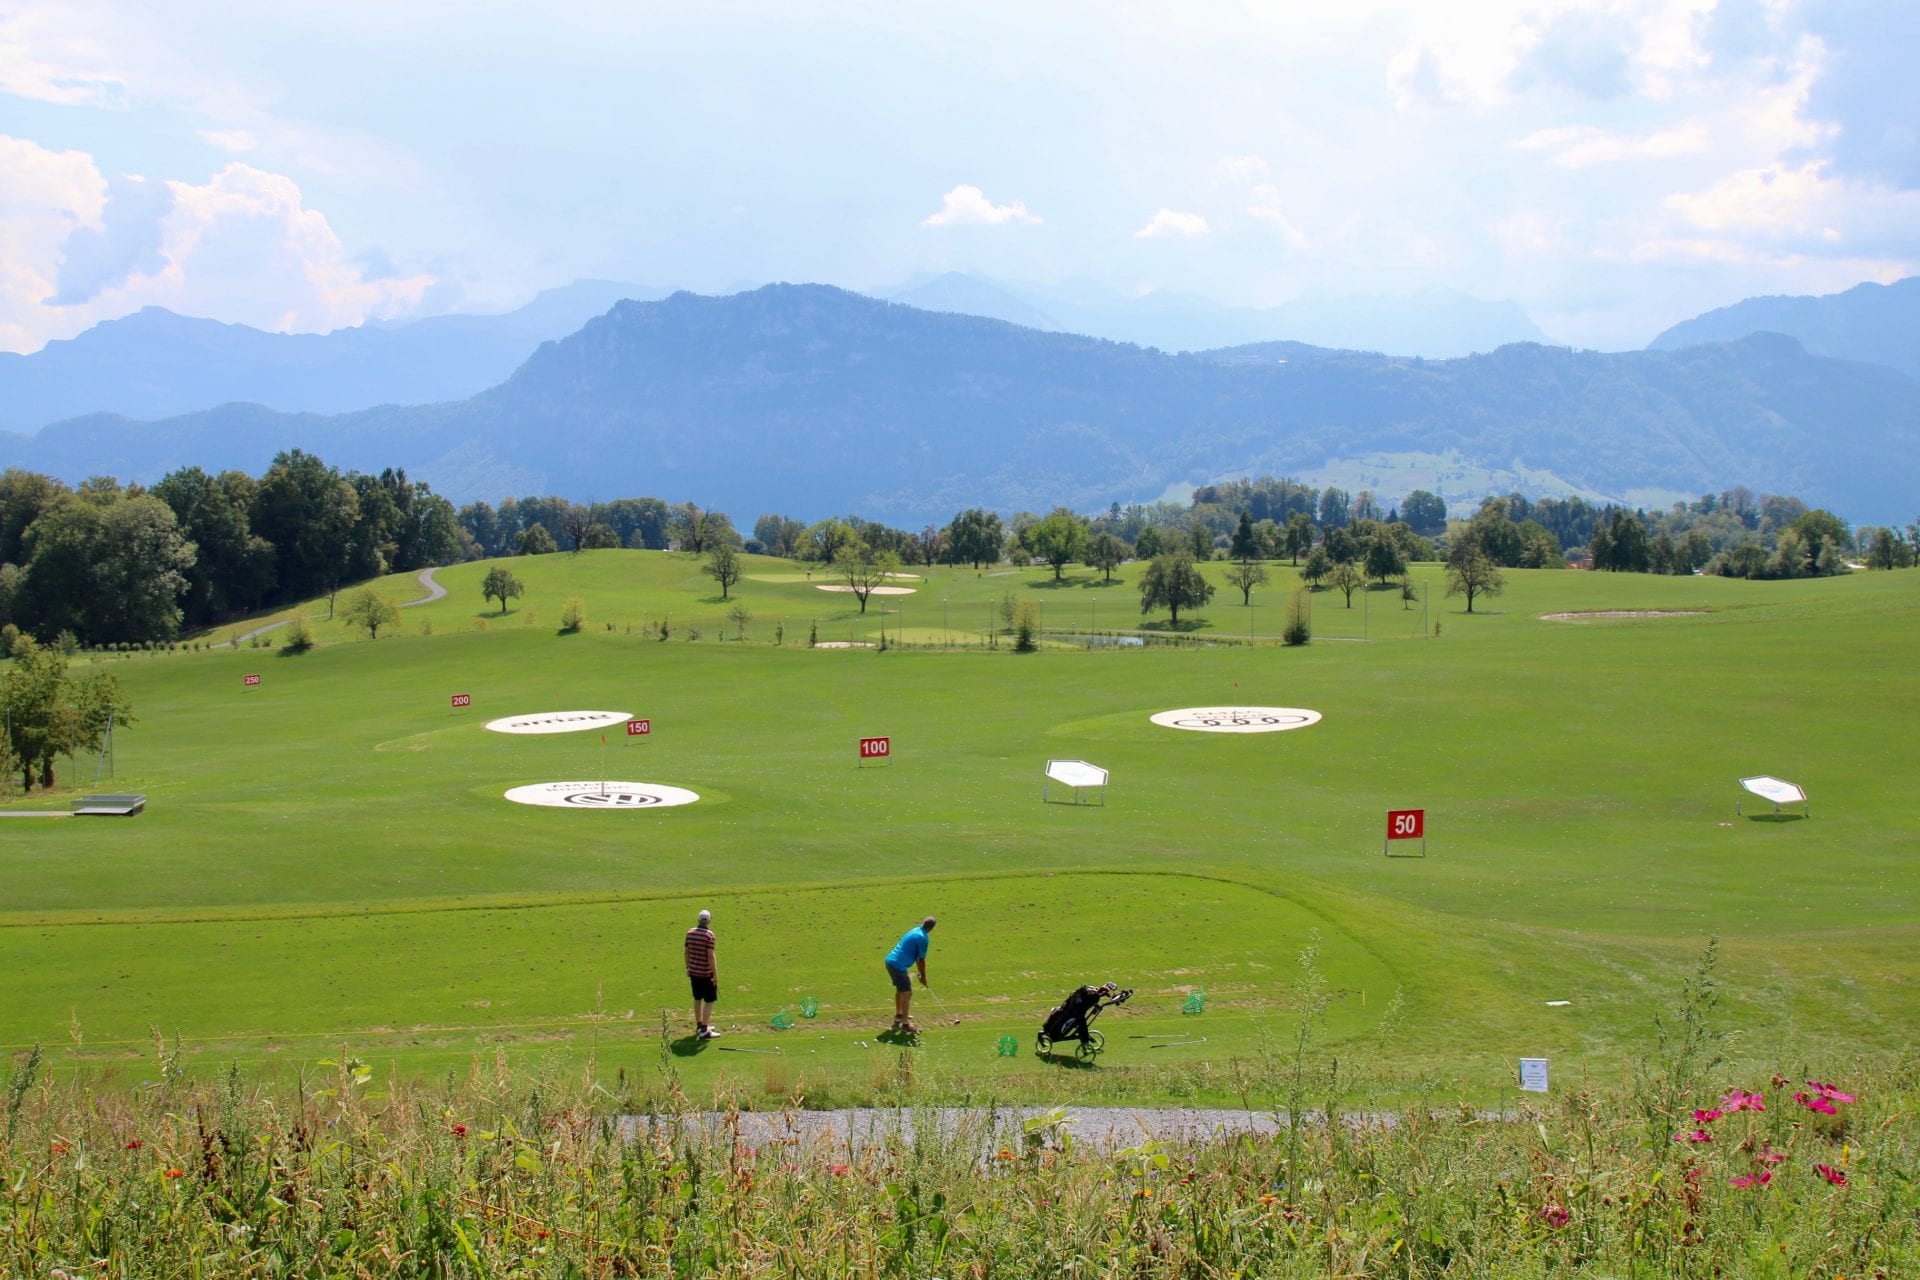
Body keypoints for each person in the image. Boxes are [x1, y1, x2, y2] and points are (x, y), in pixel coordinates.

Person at [883, 916, 936, 1033]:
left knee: (901, 990)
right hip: (898, 966)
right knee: (907, 992)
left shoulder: (915, 930)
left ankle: (899, 1015)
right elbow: (921, 960)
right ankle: (906, 1025)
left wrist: (920, 974)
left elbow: (917, 957)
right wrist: (924, 977)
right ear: (932, 928)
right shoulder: (923, 938)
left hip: (890, 962)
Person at [685, 908, 720, 1039]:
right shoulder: (709, 935)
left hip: (693, 972)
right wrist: (715, 975)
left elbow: (686, 952)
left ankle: (700, 1025)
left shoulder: (690, 933)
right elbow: (710, 956)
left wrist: (687, 967)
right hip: (706, 974)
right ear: (709, 920)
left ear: (698, 920)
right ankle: (705, 1030)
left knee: (697, 998)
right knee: (710, 1001)